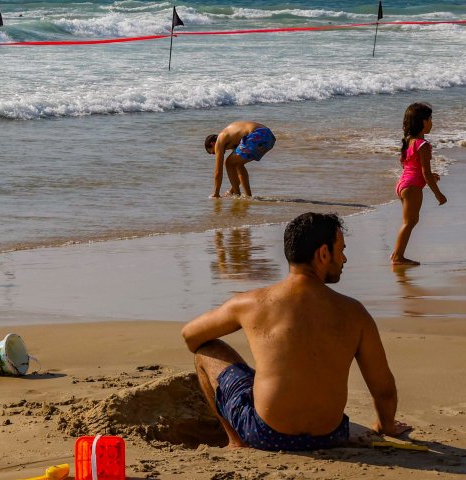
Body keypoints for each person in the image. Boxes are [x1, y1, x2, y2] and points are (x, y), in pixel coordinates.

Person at [182, 212, 410, 451]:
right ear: (323, 254)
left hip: (266, 435)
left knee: (206, 351)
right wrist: (387, 427)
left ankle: (237, 443)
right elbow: (383, 390)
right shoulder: (355, 313)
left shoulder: (252, 303)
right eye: (341, 250)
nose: (344, 258)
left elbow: (190, 336)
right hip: (331, 436)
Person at [390, 102, 447, 266]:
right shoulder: (423, 145)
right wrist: (439, 194)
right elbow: (425, 173)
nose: (432, 122)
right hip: (412, 187)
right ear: (423, 121)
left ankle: (397, 253)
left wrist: (428, 177)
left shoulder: (409, 141)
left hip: (403, 184)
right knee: (410, 222)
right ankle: (398, 257)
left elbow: (411, 166)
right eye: (430, 119)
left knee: (409, 221)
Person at [204, 121, 276, 198]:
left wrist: (216, 193)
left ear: (212, 144)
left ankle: (237, 194)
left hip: (257, 134)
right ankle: (248, 196)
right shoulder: (234, 138)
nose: (215, 154)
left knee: (228, 163)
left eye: (212, 152)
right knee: (238, 165)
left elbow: (218, 171)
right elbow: (235, 174)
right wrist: (231, 190)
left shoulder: (220, 139)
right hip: (269, 137)